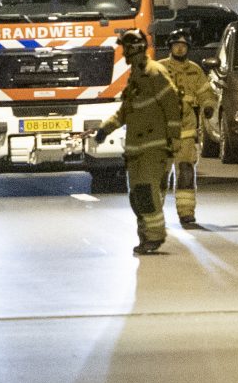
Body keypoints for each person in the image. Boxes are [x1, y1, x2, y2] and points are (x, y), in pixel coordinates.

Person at [92, 30, 184, 254]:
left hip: (153, 147)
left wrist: (173, 139)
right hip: (136, 150)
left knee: (146, 192)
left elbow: (172, 106)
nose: (124, 54)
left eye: (126, 48)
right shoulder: (136, 76)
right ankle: (145, 237)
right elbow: (125, 112)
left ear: (134, 49)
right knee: (137, 197)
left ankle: (154, 237)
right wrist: (105, 129)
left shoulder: (155, 73)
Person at [159, 32, 221, 227]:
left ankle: (186, 213)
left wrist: (209, 106)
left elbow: (206, 93)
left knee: (186, 172)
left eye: (183, 46)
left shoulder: (195, 71)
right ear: (170, 47)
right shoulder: (159, 68)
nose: (179, 49)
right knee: (160, 174)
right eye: (176, 45)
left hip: (186, 131)